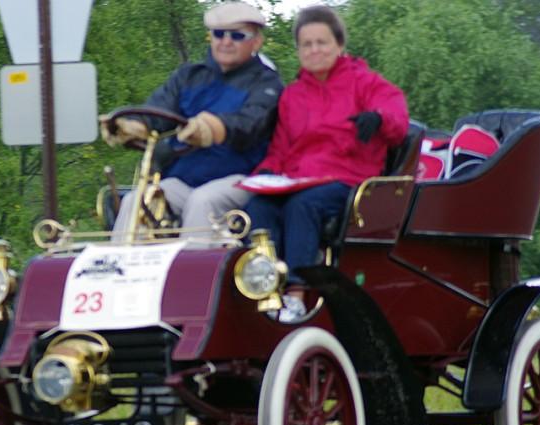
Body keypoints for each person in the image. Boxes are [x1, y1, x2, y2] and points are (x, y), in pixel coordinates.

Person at [243, 5, 408, 319]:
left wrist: (378, 118)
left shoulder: (365, 83)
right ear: (299, 50)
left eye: (322, 43)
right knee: (257, 208)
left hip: (347, 179)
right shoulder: (292, 96)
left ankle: (295, 293)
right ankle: (263, 290)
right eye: (307, 44)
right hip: (298, 180)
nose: (314, 50)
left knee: (302, 207)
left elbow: (397, 118)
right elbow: (281, 149)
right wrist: (265, 172)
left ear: (339, 45)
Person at [100, 2, 283, 239]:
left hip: (241, 179)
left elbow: (251, 123)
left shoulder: (266, 83)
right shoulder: (189, 77)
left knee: (202, 202)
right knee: (137, 200)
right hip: (184, 180)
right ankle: (120, 271)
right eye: (219, 34)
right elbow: (159, 108)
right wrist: (133, 125)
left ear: (256, 41)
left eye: (237, 35)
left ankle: (191, 276)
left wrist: (213, 129)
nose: (225, 41)